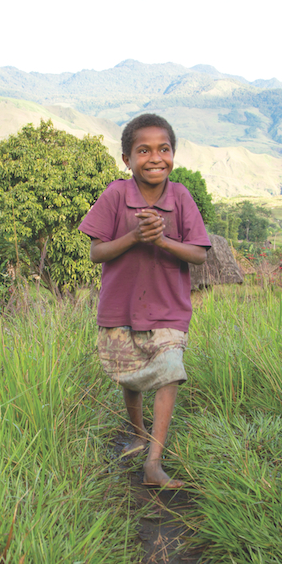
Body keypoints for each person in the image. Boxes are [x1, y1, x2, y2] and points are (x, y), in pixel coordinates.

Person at [79, 114, 211, 489]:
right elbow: (96, 252)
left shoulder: (182, 197)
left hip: (168, 308)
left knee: (169, 371)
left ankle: (154, 461)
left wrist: (162, 241)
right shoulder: (116, 195)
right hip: (120, 308)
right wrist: (135, 236)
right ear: (127, 159)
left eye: (164, 149)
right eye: (144, 150)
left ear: (173, 154)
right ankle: (137, 433)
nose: (155, 158)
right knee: (131, 377)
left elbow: (199, 254)